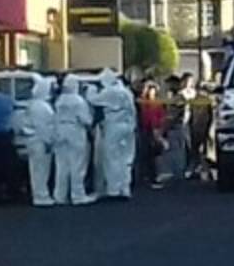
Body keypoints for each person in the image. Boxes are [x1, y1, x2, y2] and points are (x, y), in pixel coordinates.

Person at [86, 70, 138, 200]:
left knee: (111, 158)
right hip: (128, 127)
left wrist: (90, 89)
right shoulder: (127, 92)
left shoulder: (109, 92)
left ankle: (113, 189)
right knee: (125, 158)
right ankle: (125, 188)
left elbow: (93, 100)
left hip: (113, 126)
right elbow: (133, 111)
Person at [53, 76, 94, 205]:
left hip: (60, 131)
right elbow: (86, 120)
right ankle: (78, 195)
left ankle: (60, 195)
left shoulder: (59, 101)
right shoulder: (79, 101)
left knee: (61, 166)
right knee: (77, 165)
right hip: (75, 132)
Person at [22, 77, 56, 207]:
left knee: (36, 170)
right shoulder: (41, 107)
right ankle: (41, 195)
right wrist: (48, 142)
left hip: (34, 140)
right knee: (41, 170)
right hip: (40, 141)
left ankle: (39, 194)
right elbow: (43, 127)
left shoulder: (33, 104)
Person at [137, 82, 167, 190]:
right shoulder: (143, 103)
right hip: (145, 130)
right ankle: (147, 176)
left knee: (153, 155)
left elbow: (161, 117)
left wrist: (159, 130)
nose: (151, 93)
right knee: (146, 154)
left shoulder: (157, 104)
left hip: (154, 130)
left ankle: (153, 177)